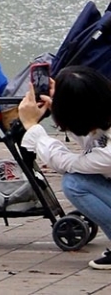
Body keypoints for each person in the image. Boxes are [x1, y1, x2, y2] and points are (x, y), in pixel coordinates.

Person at [19, 66, 111, 272]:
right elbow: (93, 137)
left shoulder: (108, 154)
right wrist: (59, 106)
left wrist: (32, 126)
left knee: (75, 183)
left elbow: (66, 163)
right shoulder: (104, 116)